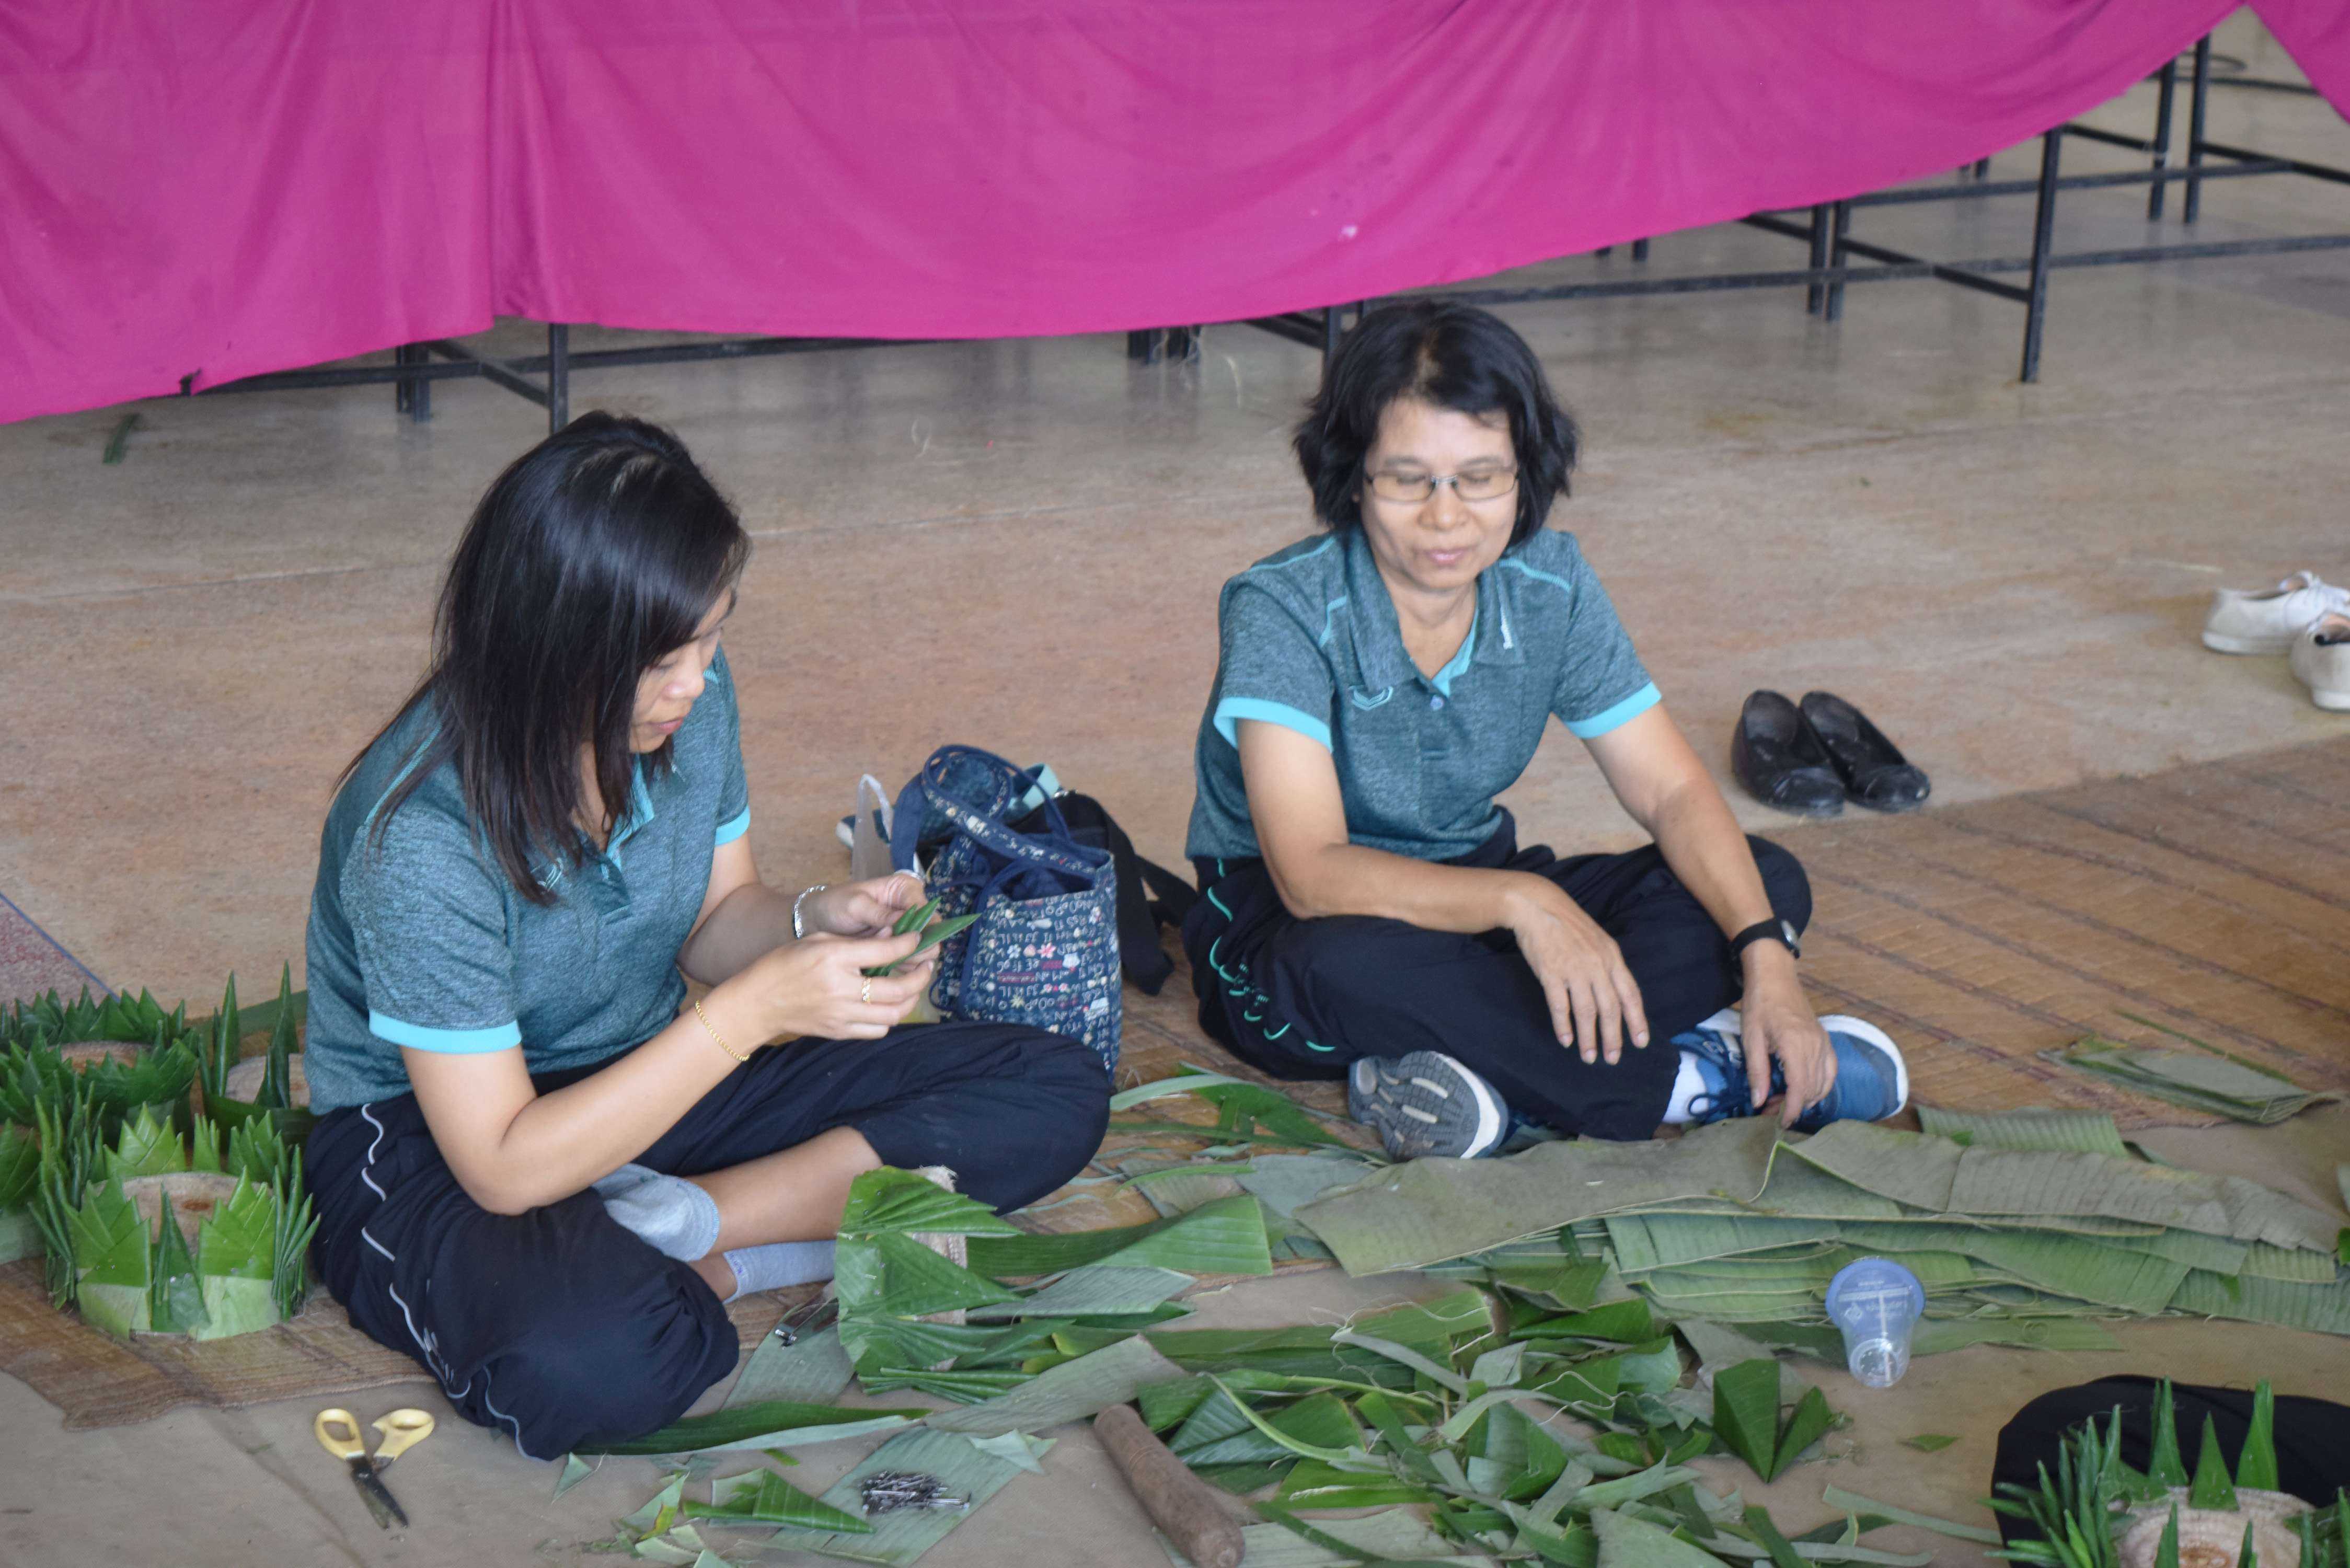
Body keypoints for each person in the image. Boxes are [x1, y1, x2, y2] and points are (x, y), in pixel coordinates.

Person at [299, 414, 1108, 1457]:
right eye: (657, 659)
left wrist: (816, 922)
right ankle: (732, 1248)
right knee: (591, 1366)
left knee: (1054, 1086)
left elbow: (716, 924)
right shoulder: (418, 835)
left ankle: (692, 1228)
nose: (692, 682)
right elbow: (502, 1165)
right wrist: (750, 1016)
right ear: (547, 643)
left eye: (707, 637)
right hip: (440, 1138)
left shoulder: (688, 703)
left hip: (654, 1083)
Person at [1180, 302, 1908, 1159]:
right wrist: (1526, 903)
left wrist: (1769, 964)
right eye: (1409, 480)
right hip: (1290, 931)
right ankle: (1686, 1084)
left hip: (1476, 896)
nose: (1446, 518)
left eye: (1480, 478)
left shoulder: (1548, 585)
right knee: (1344, 969)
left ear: (1527, 473)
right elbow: (1309, 876)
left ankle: (1485, 1077)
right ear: (1352, 476)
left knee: (1762, 882)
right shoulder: (1285, 608)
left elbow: (1671, 791)